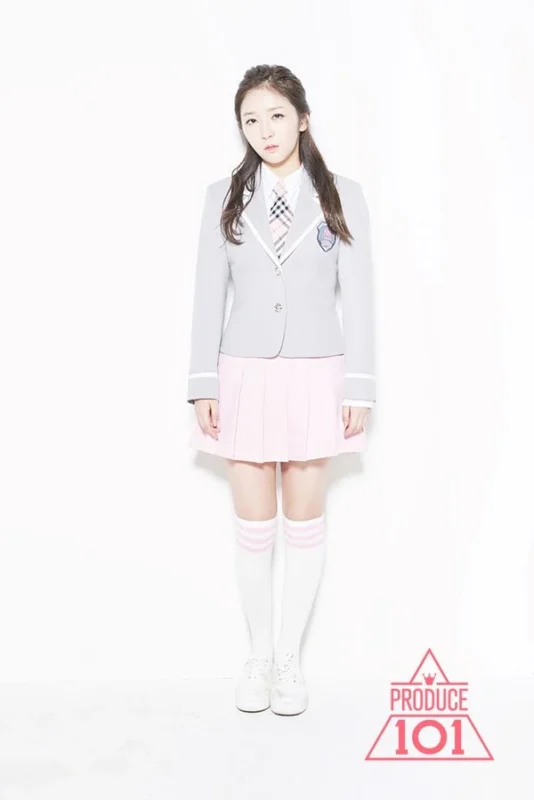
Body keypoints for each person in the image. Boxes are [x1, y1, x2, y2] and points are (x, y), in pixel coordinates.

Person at [186, 64, 376, 716]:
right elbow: (208, 294)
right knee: (252, 527)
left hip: (317, 374)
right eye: (250, 119)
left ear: (302, 119)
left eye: (275, 115)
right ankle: (259, 656)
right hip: (242, 375)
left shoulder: (342, 195)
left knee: (304, 521)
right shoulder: (222, 197)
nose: (264, 130)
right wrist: (202, 382)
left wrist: (359, 386)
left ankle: (290, 660)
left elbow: (361, 296)